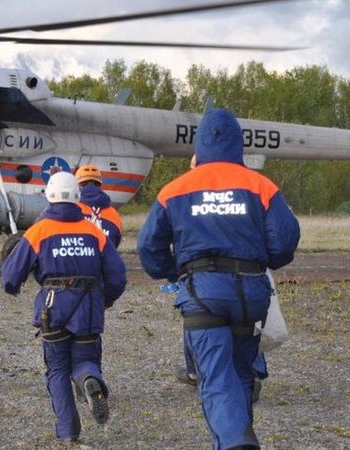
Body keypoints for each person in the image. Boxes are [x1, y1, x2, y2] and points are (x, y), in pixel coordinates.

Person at [137, 109, 300, 450]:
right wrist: (260, 261)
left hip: (203, 295)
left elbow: (149, 248)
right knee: (241, 375)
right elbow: (284, 242)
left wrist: (174, 273)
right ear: (237, 144)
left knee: (216, 381)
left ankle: (236, 444)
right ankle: (237, 437)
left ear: (200, 145)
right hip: (251, 297)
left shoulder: (175, 190)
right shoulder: (262, 186)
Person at [1, 171, 126, 443]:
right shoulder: (94, 231)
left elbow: (10, 276)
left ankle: (69, 432)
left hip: (52, 308)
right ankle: (89, 379)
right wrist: (106, 299)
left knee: (57, 369)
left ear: (49, 196)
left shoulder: (39, 230)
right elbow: (117, 276)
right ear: (77, 197)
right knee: (86, 360)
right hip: (90, 307)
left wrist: (13, 288)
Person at [174, 155, 269, 403]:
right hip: (249, 273)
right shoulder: (248, 190)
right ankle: (253, 372)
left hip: (205, 278)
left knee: (197, 322)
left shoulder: (189, 194)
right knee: (247, 327)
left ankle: (197, 372)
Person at [75, 164, 123, 248]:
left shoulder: (73, 209)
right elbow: (115, 243)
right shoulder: (114, 214)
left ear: (78, 186)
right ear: (100, 185)